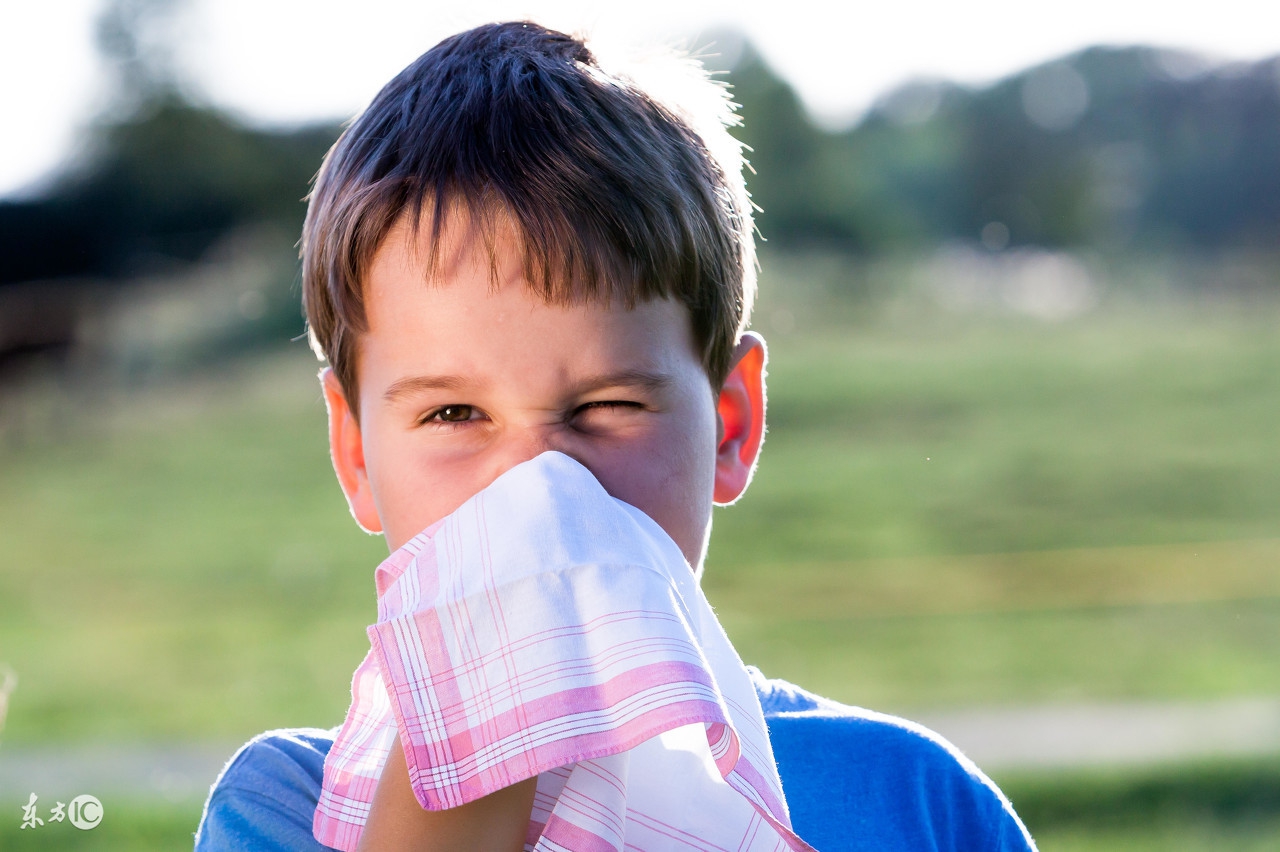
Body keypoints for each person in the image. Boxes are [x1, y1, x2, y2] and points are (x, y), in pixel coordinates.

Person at [195, 21, 1036, 851]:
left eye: (605, 407)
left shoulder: (916, 805)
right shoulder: (286, 811)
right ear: (356, 455)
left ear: (729, 426)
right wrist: (480, 719)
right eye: (453, 414)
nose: (537, 491)